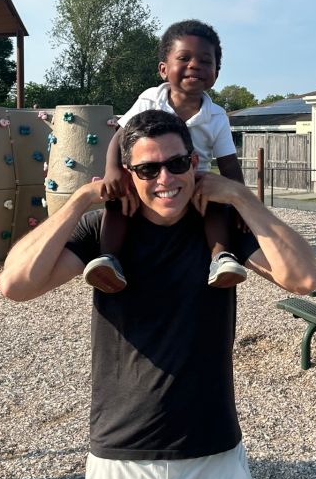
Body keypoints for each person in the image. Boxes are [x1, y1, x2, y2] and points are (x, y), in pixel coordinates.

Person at [0, 109, 316, 479]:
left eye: (177, 163)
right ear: (128, 174)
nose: (165, 178)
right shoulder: (104, 231)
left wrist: (241, 196)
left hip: (212, 452)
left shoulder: (221, 226)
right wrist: (80, 201)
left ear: (194, 162)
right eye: (148, 170)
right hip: (123, 456)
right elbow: (15, 284)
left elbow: (304, 277)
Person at [84, 19, 248, 293]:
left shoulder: (217, 115)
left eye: (205, 61)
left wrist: (241, 201)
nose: (195, 65)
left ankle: (221, 258)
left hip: (193, 180)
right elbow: (119, 137)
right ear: (163, 69)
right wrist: (113, 171)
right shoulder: (150, 99)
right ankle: (109, 258)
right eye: (184, 58)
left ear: (216, 73)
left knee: (215, 201)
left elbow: (229, 164)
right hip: (149, 174)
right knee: (119, 198)